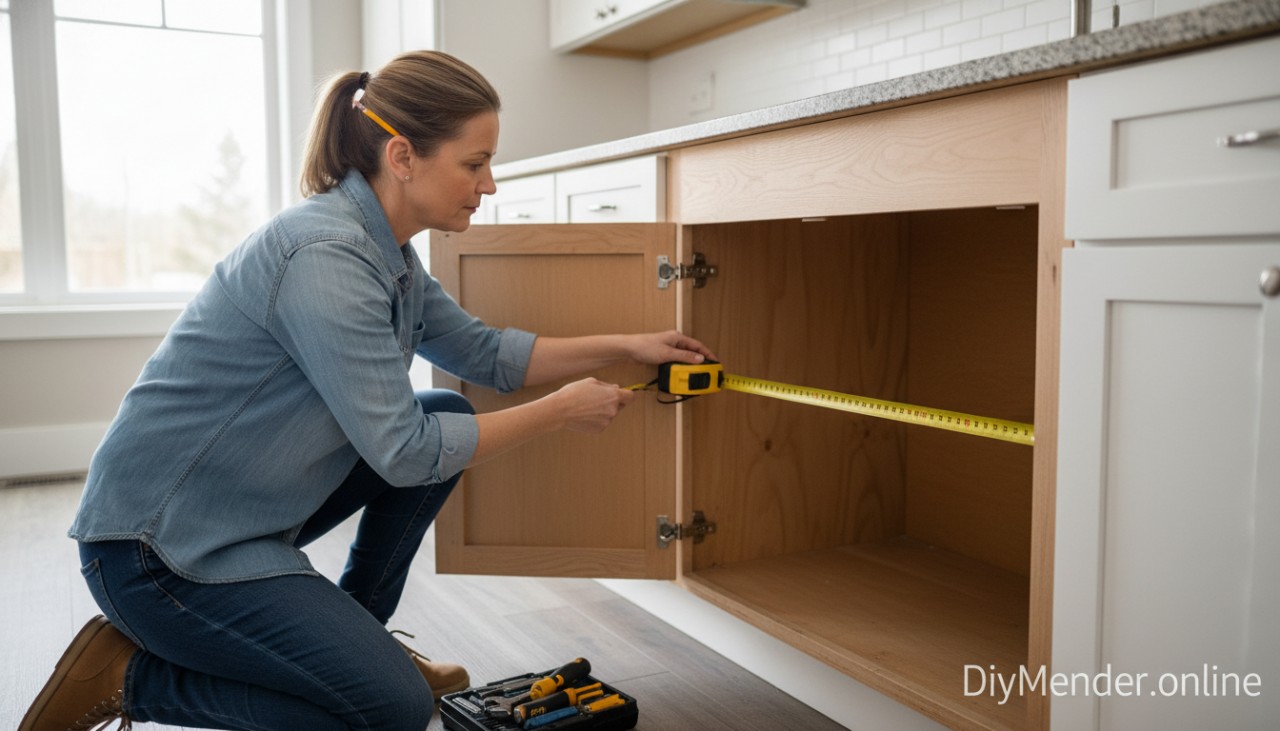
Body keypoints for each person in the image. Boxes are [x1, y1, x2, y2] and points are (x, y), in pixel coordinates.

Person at [21, 50, 714, 731]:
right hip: (154, 550)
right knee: (392, 710)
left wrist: (628, 344)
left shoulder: (389, 253)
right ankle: (133, 678)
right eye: (475, 163)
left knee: (444, 405)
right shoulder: (324, 256)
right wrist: (561, 411)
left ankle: (360, 639)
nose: (491, 183)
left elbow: (487, 353)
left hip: (234, 516)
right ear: (404, 156)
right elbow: (404, 454)